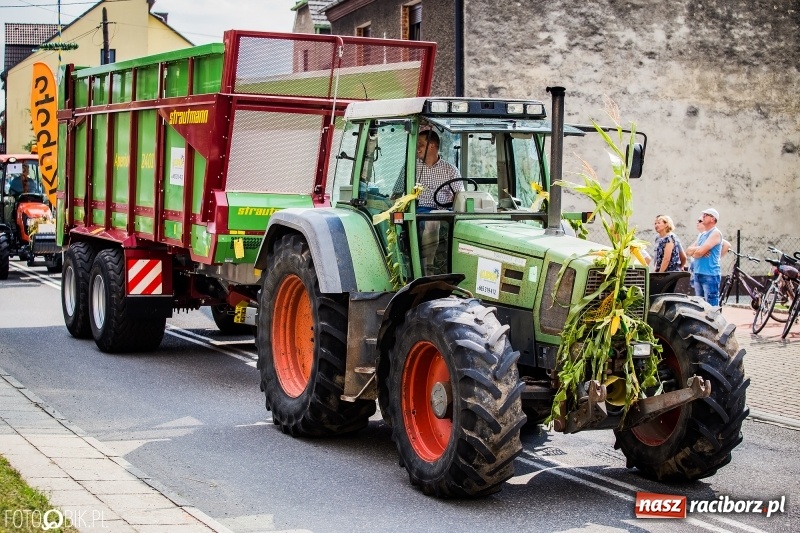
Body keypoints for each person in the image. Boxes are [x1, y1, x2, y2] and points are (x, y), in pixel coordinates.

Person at [393, 130, 463, 275]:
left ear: (432, 146)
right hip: (421, 210)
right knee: (432, 222)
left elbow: (461, 197)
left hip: (446, 212)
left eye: (421, 145)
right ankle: (427, 268)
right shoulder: (411, 167)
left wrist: (454, 200)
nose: (417, 148)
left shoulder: (450, 170)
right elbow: (397, 194)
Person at [686, 207, 724, 306]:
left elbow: (698, 253)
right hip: (698, 273)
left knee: (711, 306)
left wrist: (699, 251)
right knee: (700, 306)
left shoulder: (715, 233)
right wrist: (699, 249)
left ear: (713, 219)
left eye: (706, 215)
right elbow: (688, 251)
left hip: (710, 275)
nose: (703, 216)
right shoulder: (702, 235)